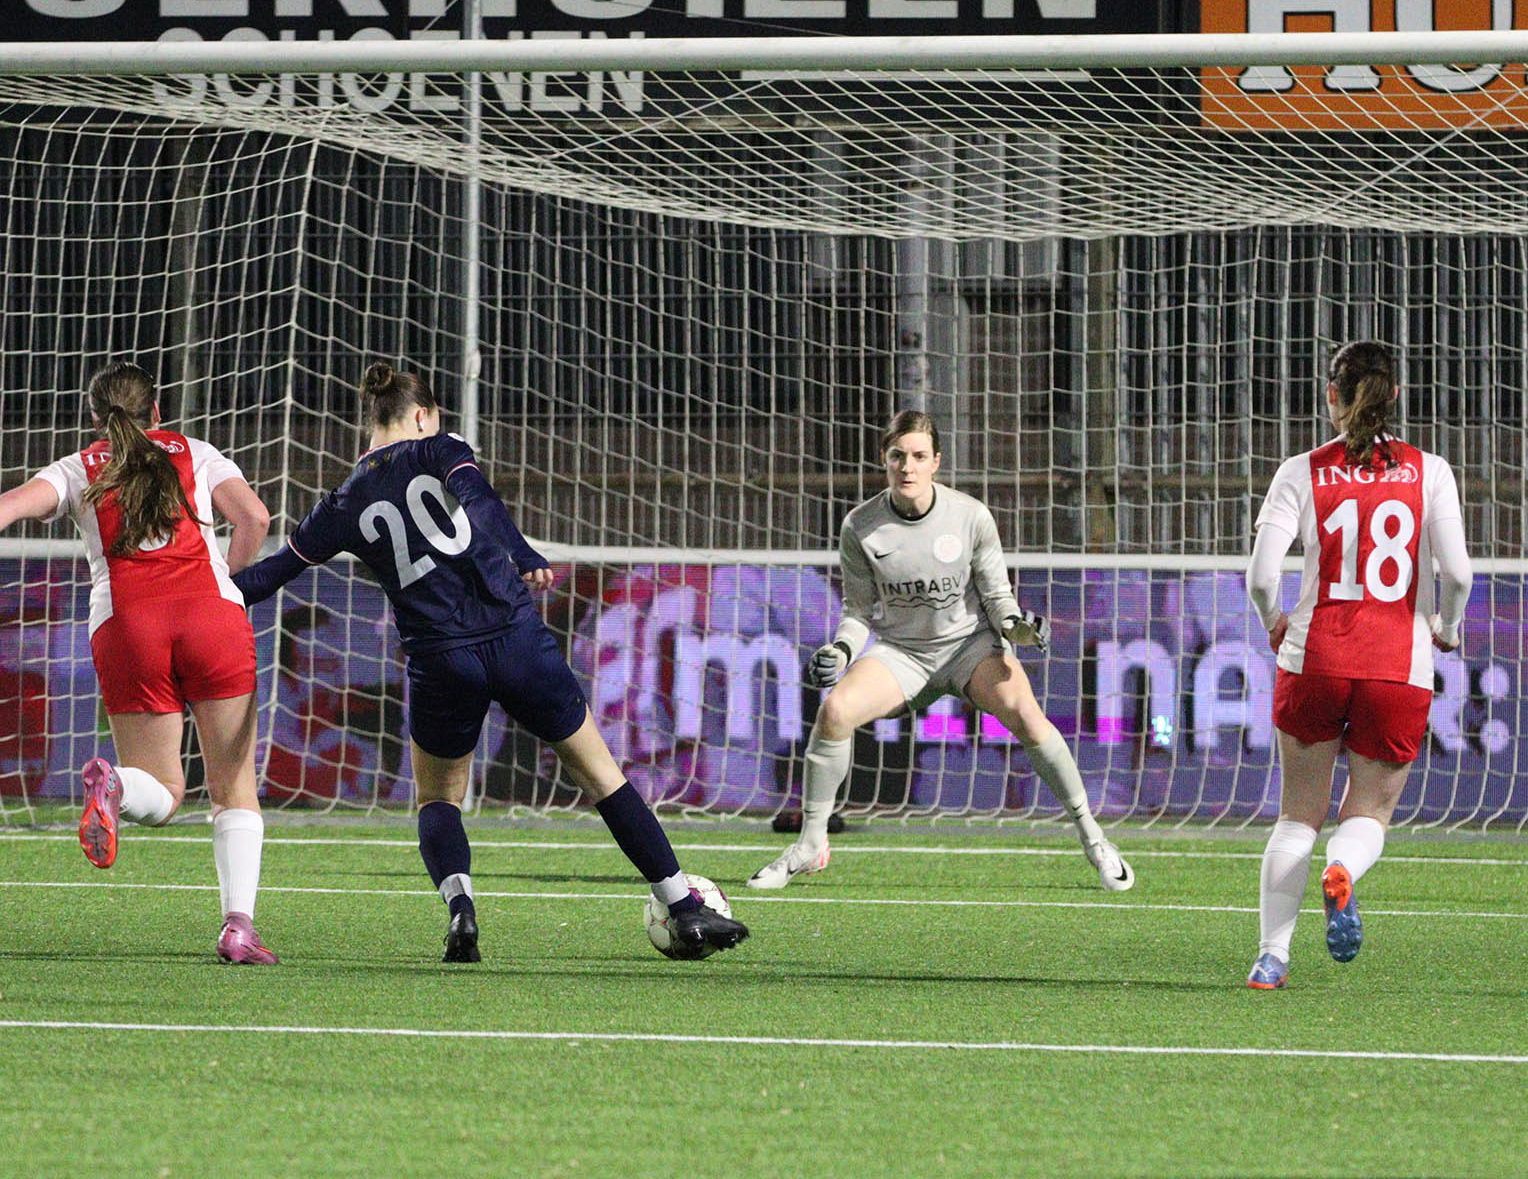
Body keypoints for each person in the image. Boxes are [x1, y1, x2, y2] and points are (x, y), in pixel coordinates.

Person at [233, 362, 749, 962]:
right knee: (601, 775)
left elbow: (273, 573)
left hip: (440, 658)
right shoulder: (441, 448)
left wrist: (207, 593)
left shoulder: (342, 500)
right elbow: (478, 497)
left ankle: (461, 910)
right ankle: (683, 905)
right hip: (515, 641)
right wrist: (523, 552)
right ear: (422, 416)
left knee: (439, 798)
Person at [0, 361, 279, 965]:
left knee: (164, 791)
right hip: (212, 617)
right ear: (158, 411)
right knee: (233, 788)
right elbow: (255, 518)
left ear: (96, 419)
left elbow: (16, 503)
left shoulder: (80, 467)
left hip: (128, 625)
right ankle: (238, 927)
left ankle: (117, 785)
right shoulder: (195, 452)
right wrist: (227, 577)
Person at [749, 410, 1135, 892]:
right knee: (835, 711)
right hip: (902, 653)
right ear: (884, 460)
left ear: (936, 461)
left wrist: (1014, 627)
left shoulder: (970, 516)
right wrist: (843, 651)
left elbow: (998, 596)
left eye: (918, 456)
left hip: (970, 648)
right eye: (897, 456)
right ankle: (810, 844)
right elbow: (858, 611)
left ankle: (1095, 839)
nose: (907, 467)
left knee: (1028, 716)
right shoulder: (860, 525)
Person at [1242, 341, 1471, 989]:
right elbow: (1457, 573)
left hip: (1315, 658)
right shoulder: (1429, 472)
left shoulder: (1301, 470)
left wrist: (1274, 621)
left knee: (1296, 816)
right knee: (1368, 813)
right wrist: (1447, 628)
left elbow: (1261, 577)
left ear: (1330, 396)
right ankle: (1341, 869)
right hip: (1398, 664)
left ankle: (1272, 959)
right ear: (1394, 395)